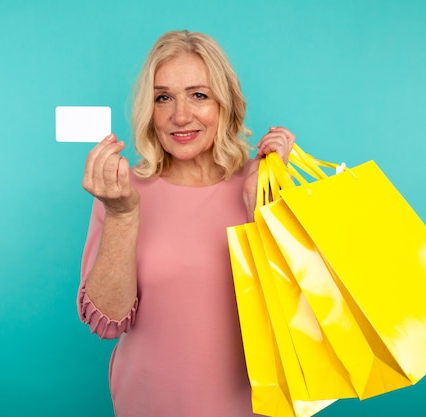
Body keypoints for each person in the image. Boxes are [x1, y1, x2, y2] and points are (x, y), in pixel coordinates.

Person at [77, 30, 295, 417]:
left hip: (251, 403)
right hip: (149, 400)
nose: (180, 115)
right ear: (150, 109)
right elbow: (107, 322)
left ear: (224, 104)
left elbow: (299, 318)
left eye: (198, 95)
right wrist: (122, 214)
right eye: (164, 97)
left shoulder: (257, 183)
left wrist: (266, 204)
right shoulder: (122, 191)